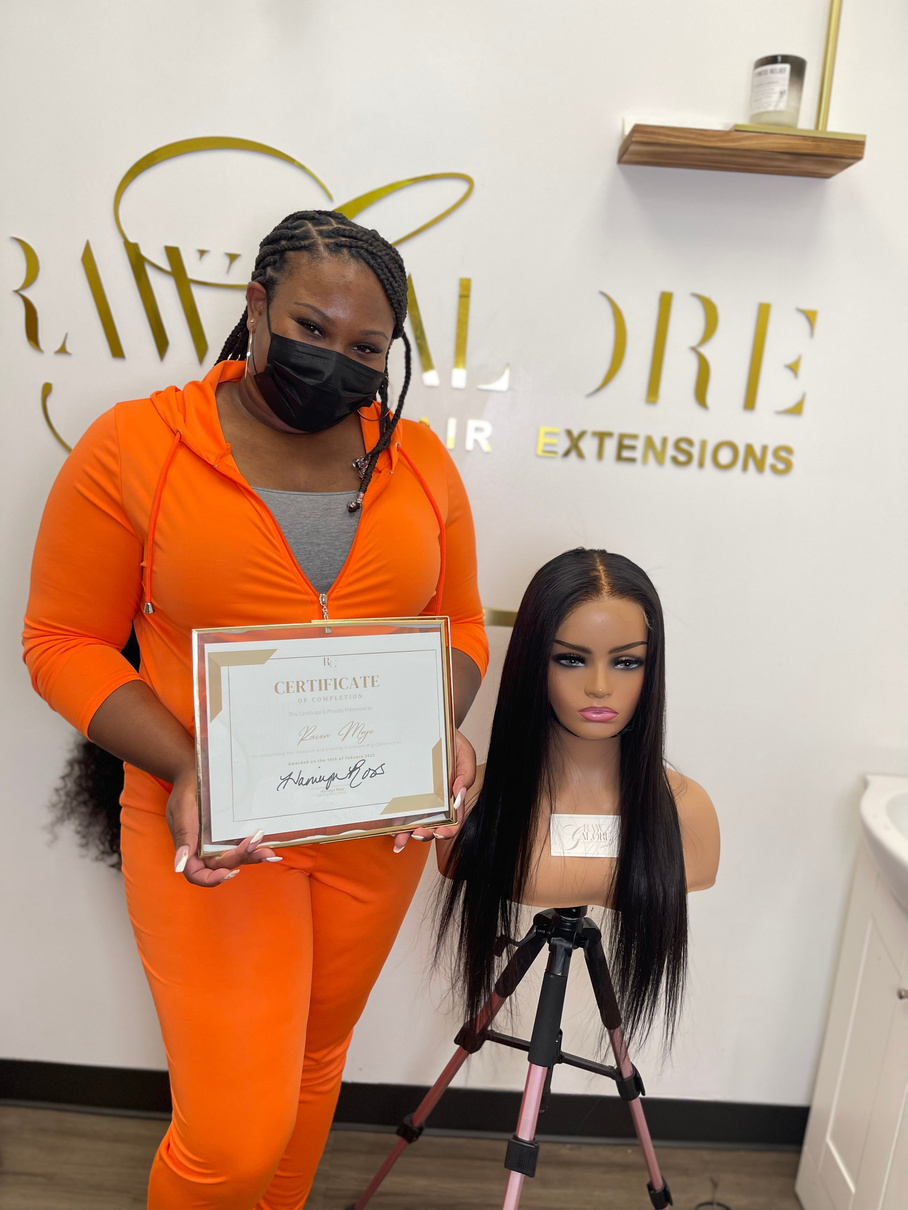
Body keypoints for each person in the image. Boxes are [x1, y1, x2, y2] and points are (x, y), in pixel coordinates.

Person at [23, 209, 488, 1209]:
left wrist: (432, 726)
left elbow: (456, 627)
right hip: (215, 827)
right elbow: (60, 641)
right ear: (257, 305)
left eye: (367, 348)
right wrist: (186, 763)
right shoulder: (138, 445)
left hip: (371, 829)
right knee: (232, 1141)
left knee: (314, 1065)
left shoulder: (419, 462)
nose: (336, 360)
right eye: (312, 328)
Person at [436, 548, 719, 1045]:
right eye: (571, 659)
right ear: (532, 662)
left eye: (626, 662)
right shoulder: (472, 803)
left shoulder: (687, 814)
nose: (600, 687)